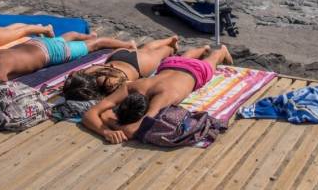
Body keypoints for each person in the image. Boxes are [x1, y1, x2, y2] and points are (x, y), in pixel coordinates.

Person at [82, 45, 233, 144]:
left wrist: (107, 127)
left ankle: (222, 50)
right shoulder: (133, 87)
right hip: (170, 63)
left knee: (213, 59)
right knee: (185, 57)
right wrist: (106, 129)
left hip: (195, 70)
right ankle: (203, 48)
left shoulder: (159, 96)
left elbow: (131, 130)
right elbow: (91, 113)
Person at [0, 33, 135, 101]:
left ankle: (127, 44)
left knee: (95, 46)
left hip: (50, 54)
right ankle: (84, 35)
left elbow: (1, 93)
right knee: (66, 38)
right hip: (35, 44)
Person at [63, 36, 179, 101]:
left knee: (164, 52)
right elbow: (72, 74)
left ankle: (171, 47)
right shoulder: (88, 73)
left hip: (138, 66)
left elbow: (129, 86)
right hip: (117, 55)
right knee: (145, 49)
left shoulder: (108, 86)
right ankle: (169, 40)